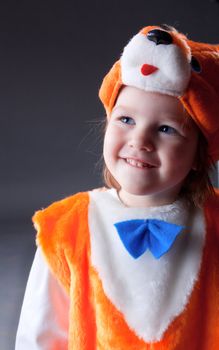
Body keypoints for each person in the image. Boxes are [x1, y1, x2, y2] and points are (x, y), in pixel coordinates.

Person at [16, 24, 219, 349]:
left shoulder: (215, 222)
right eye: (126, 120)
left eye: (166, 129)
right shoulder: (65, 230)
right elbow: (40, 339)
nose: (140, 140)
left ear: (199, 155)